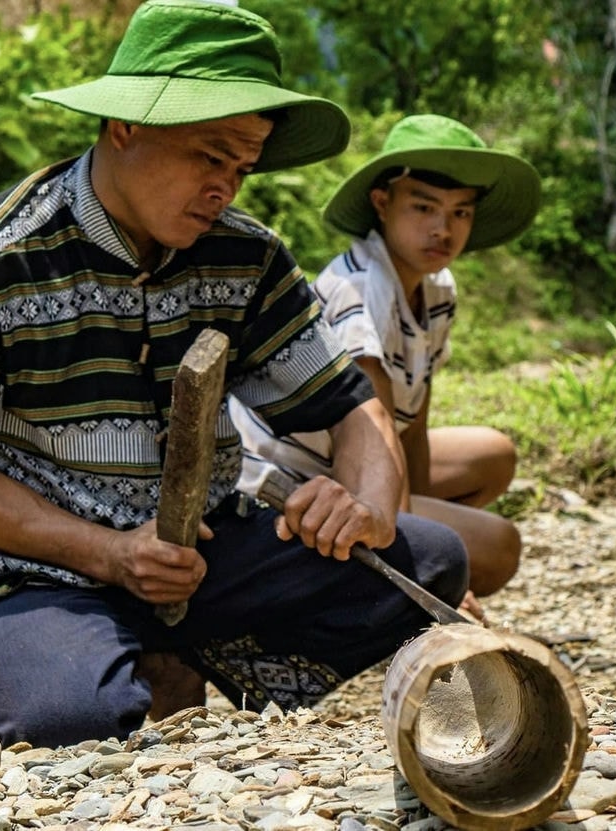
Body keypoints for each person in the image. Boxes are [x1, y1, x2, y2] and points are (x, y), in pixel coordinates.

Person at [0, 0, 469, 748]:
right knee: (69, 720)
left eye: (242, 166)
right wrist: (110, 553)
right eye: (210, 156)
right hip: (32, 570)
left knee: (431, 557)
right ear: (127, 126)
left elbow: (353, 407)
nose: (226, 188)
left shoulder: (248, 258)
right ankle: (116, 657)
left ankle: (182, 650)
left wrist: (367, 502)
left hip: (200, 556)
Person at [232, 114, 541, 611]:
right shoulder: (363, 286)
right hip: (293, 477)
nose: (443, 229)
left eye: (461, 213)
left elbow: (411, 417)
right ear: (382, 203)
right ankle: (374, 586)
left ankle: (378, 566)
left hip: (357, 466)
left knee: (494, 455)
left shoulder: (437, 287)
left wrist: (415, 522)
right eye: (424, 207)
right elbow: (372, 429)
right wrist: (423, 565)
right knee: (500, 547)